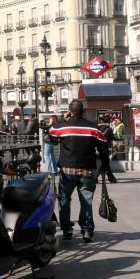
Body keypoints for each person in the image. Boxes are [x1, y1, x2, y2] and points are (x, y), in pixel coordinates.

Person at [48, 100, 109, 243]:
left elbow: (50, 134)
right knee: (86, 201)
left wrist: (64, 119)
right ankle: (87, 230)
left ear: (70, 111)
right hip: (87, 170)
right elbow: (104, 149)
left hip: (67, 169)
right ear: (83, 111)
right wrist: (105, 167)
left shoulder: (63, 126)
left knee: (64, 199)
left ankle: (67, 229)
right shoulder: (94, 128)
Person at [97, 115, 118, 183]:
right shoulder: (109, 129)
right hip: (105, 148)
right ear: (109, 121)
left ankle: (110, 178)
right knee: (105, 163)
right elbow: (112, 138)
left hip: (96, 148)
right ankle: (110, 178)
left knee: (103, 163)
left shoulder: (97, 128)